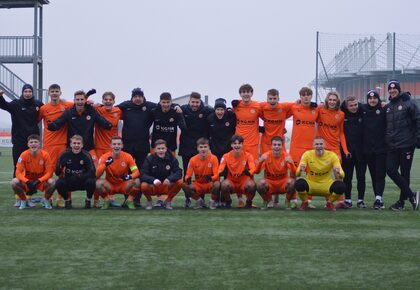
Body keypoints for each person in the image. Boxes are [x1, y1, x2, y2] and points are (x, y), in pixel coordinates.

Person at [384, 80, 420, 211]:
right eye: (390, 89)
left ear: (399, 89)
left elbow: (418, 119)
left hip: (406, 144)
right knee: (390, 170)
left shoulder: (408, 103)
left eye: (394, 89)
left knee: (405, 174)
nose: (392, 91)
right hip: (392, 146)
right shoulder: (387, 107)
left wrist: (418, 138)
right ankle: (412, 196)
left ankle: (401, 203)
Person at [37, 84, 74, 207]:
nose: (54, 93)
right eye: (52, 91)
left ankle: (62, 198)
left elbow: (81, 104)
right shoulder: (43, 108)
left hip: (63, 144)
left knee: (64, 173)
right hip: (49, 145)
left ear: (60, 92)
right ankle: (47, 197)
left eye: (56, 91)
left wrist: (91, 102)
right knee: (49, 173)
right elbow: (34, 121)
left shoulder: (66, 105)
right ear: (49, 93)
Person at [178, 92, 214, 207]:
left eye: (197, 102)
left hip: (201, 148)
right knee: (186, 175)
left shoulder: (206, 110)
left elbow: (217, 111)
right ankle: (188, 198)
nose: (194, 104)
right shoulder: (183, 109)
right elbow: (174, 107)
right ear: (189, 101)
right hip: (186, 146)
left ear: (200, 102)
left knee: (202, 174)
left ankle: (201, 198)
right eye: (193, 102)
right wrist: (175, 107)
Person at [0, 85, 43, 178]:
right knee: (18, 164)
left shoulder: (38, 104)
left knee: (33, 165)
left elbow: (48, 111)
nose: (28, 93)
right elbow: (4, 105)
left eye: (29, 91)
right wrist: (0, 97)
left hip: (33, 141)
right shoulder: (16, 104)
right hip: (19, 140)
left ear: (32, 93)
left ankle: (32, 186)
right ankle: (17, 186)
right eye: (26, 91)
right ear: (22, 93)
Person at [48, 90, 112, 152]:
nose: (80, 102)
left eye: (82, 99)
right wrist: (52, 126)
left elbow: (101, 121)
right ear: (74, 101)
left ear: (85, 100)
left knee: (94, 162)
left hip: (88, 147)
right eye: (77, 100)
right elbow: (59, 122)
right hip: (73, 148)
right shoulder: (69, 112)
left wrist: (108, 125)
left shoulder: (91, 111)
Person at [286, 87, 319, 208]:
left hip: (310, 148)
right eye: (303, 95)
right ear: (300, 96)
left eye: (308, 95)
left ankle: (307, 201)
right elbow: (280, 115)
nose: (306, 97)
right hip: (296, 147)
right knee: (293, 174)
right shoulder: (294, 107)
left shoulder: (316, 110)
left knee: (310, 174)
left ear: (311, 96)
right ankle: (292, 199)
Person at [295, 136, 346, 211]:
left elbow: (342, 174)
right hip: (311, 185)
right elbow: (297, 174)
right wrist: (300, 170)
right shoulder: (307, 154)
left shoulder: (332, 155)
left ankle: (329, 203)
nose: (319, 146)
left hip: (326, 186)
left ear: (324, 145)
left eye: (321, 144)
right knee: (299, 184)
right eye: (317, 144)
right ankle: (305, 202)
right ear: (313, 145)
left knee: (341, 186)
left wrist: (339, 172)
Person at [11, 134, 55, 210]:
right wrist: (27, 181)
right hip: (28, 180)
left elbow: (49, 173)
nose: (33, 144)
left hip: (41, 181)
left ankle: (46, 200)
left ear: (40, 144)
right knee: (14, 182)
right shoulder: (23, 155)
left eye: (35, 142)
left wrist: (39, 180)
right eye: (31, 142)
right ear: (28, 144)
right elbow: (17, 173)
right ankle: (24, 200)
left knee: (52, 182)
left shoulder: (45, 155)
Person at [95, 136, 140, 210]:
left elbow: (136, 172)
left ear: (122, 146)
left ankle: (129, 201)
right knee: (97, 183)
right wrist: (105, 165)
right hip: (110, 185)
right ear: (111, 145)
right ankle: (107, 200)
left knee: (137, 181)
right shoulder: (104, 157)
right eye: (114, 144)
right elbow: (97, 174)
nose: (116, 146)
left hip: (123, 184)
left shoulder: (128, 156)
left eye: (119, 144)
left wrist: (129, 177)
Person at [54, 135, 96, 209]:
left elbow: (92, 172)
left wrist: (79, 176)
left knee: (92, 182)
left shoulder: (86, 155)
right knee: (58, 183)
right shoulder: (64, 155)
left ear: (82, 145)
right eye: (74, 143)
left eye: (78, 143)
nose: (76, 145)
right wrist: (60, 166)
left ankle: (88, 200)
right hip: (70, 180)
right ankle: (67, 200)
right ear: (71, 144)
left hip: (83, 181)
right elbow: (57, 173)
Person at [361, 90, 387, 209]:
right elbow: (346, 106)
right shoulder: (363, 109)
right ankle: (376, 198)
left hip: (381, 149)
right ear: (367, 99)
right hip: (367, 150)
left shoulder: (384, 109)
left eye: (375, 98)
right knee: (372, 175)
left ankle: (378, 199)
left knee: (380, 175)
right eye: (370, 98)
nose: (372, 100)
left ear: (378, 99)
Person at [256, 136, 297, 210]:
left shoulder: (286, 156)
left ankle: (287, 200)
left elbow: (294, 173)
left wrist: (291, 164)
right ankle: (268, 200)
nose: (276, 147)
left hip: (282, 183)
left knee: (293, 182)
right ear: (271, 146)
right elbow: (257, 171)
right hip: (270, 183)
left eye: (279, 145)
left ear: (282, 146)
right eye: (274, 145)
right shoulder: (266, 155)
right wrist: (260, 161)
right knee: (259, 184)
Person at [140, 139, 183, 210]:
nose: (161, 150)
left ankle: (168, 201)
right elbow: (143, 174)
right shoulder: (149, 159)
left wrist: (169, 179)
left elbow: (178, 172)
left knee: (180, 182)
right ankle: (149, 201)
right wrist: (153, 180)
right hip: (154, 186)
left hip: (166, 185)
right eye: (158, 148)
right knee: (144, 185)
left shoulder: (172, 159)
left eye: (163, 148)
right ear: (155, 150)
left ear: (166, 149)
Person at [340, 95, 366, 209]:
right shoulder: (342, 114)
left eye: (355, 105)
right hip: (347, 153)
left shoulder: (363, 112)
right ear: (346, 106)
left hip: (361, 152)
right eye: (351, 105)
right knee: (347, 178)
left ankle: (361, 200)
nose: (354, 107)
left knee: (361, 177)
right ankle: (348, 199)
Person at [218, 134, 257, 208]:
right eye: (235, 143)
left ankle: (249, 202)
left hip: (243, 182)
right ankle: (228, 201)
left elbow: (253, 168)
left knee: (252, 185)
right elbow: (220, 168)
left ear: (242, 144)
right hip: (232, 182)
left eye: (239, 143)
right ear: (231, 145)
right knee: (224, 185)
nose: (237, 145)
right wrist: (221, 172)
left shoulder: (248, 156)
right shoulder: (225, 156)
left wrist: (250, 172)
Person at [182, 138, 220, 209]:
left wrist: (211, 178)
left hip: (209, 184)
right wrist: (188, 179)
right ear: (197, 148)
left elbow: (217, 174)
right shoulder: (192, 160)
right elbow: (188, 174)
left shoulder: (214, 158)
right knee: (184, 185)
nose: (203, 149)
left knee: (217, 184)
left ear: (209, 148)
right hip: (198, 184)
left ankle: (212, 201)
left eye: (205, 147)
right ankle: (199, 200)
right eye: (201, 147)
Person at [231, 84, 262, 162]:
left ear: (251, 93)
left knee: (252, 167)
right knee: (239, 165)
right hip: (239, 142)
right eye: (243, 92)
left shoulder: (257, 106)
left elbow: (267, 118)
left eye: (248, 92)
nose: (246, 94)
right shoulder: (236, 106)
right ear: (240, 94)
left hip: (253, 142)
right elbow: (227, 116)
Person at [260, 89, 291, 154]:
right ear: (267, 99)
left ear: (278, 99)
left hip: (279, 143)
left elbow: (297, 105)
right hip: (266, 142)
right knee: (265, 162)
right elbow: (249, 105)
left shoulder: (284, 107)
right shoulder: (262, 107)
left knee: (282, 162)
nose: (272, 101)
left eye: (274, 98)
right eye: (270, 98)